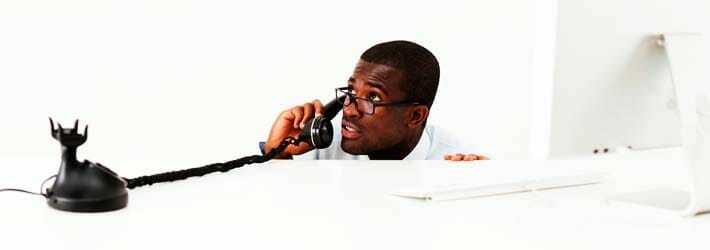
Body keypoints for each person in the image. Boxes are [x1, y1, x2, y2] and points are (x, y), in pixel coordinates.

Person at [262, 40, 488, 161]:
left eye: (373, 96)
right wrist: (277, 152)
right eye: (351, 91)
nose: (349, 109)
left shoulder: (453, 163)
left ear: (415, 115)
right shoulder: (323, 144)